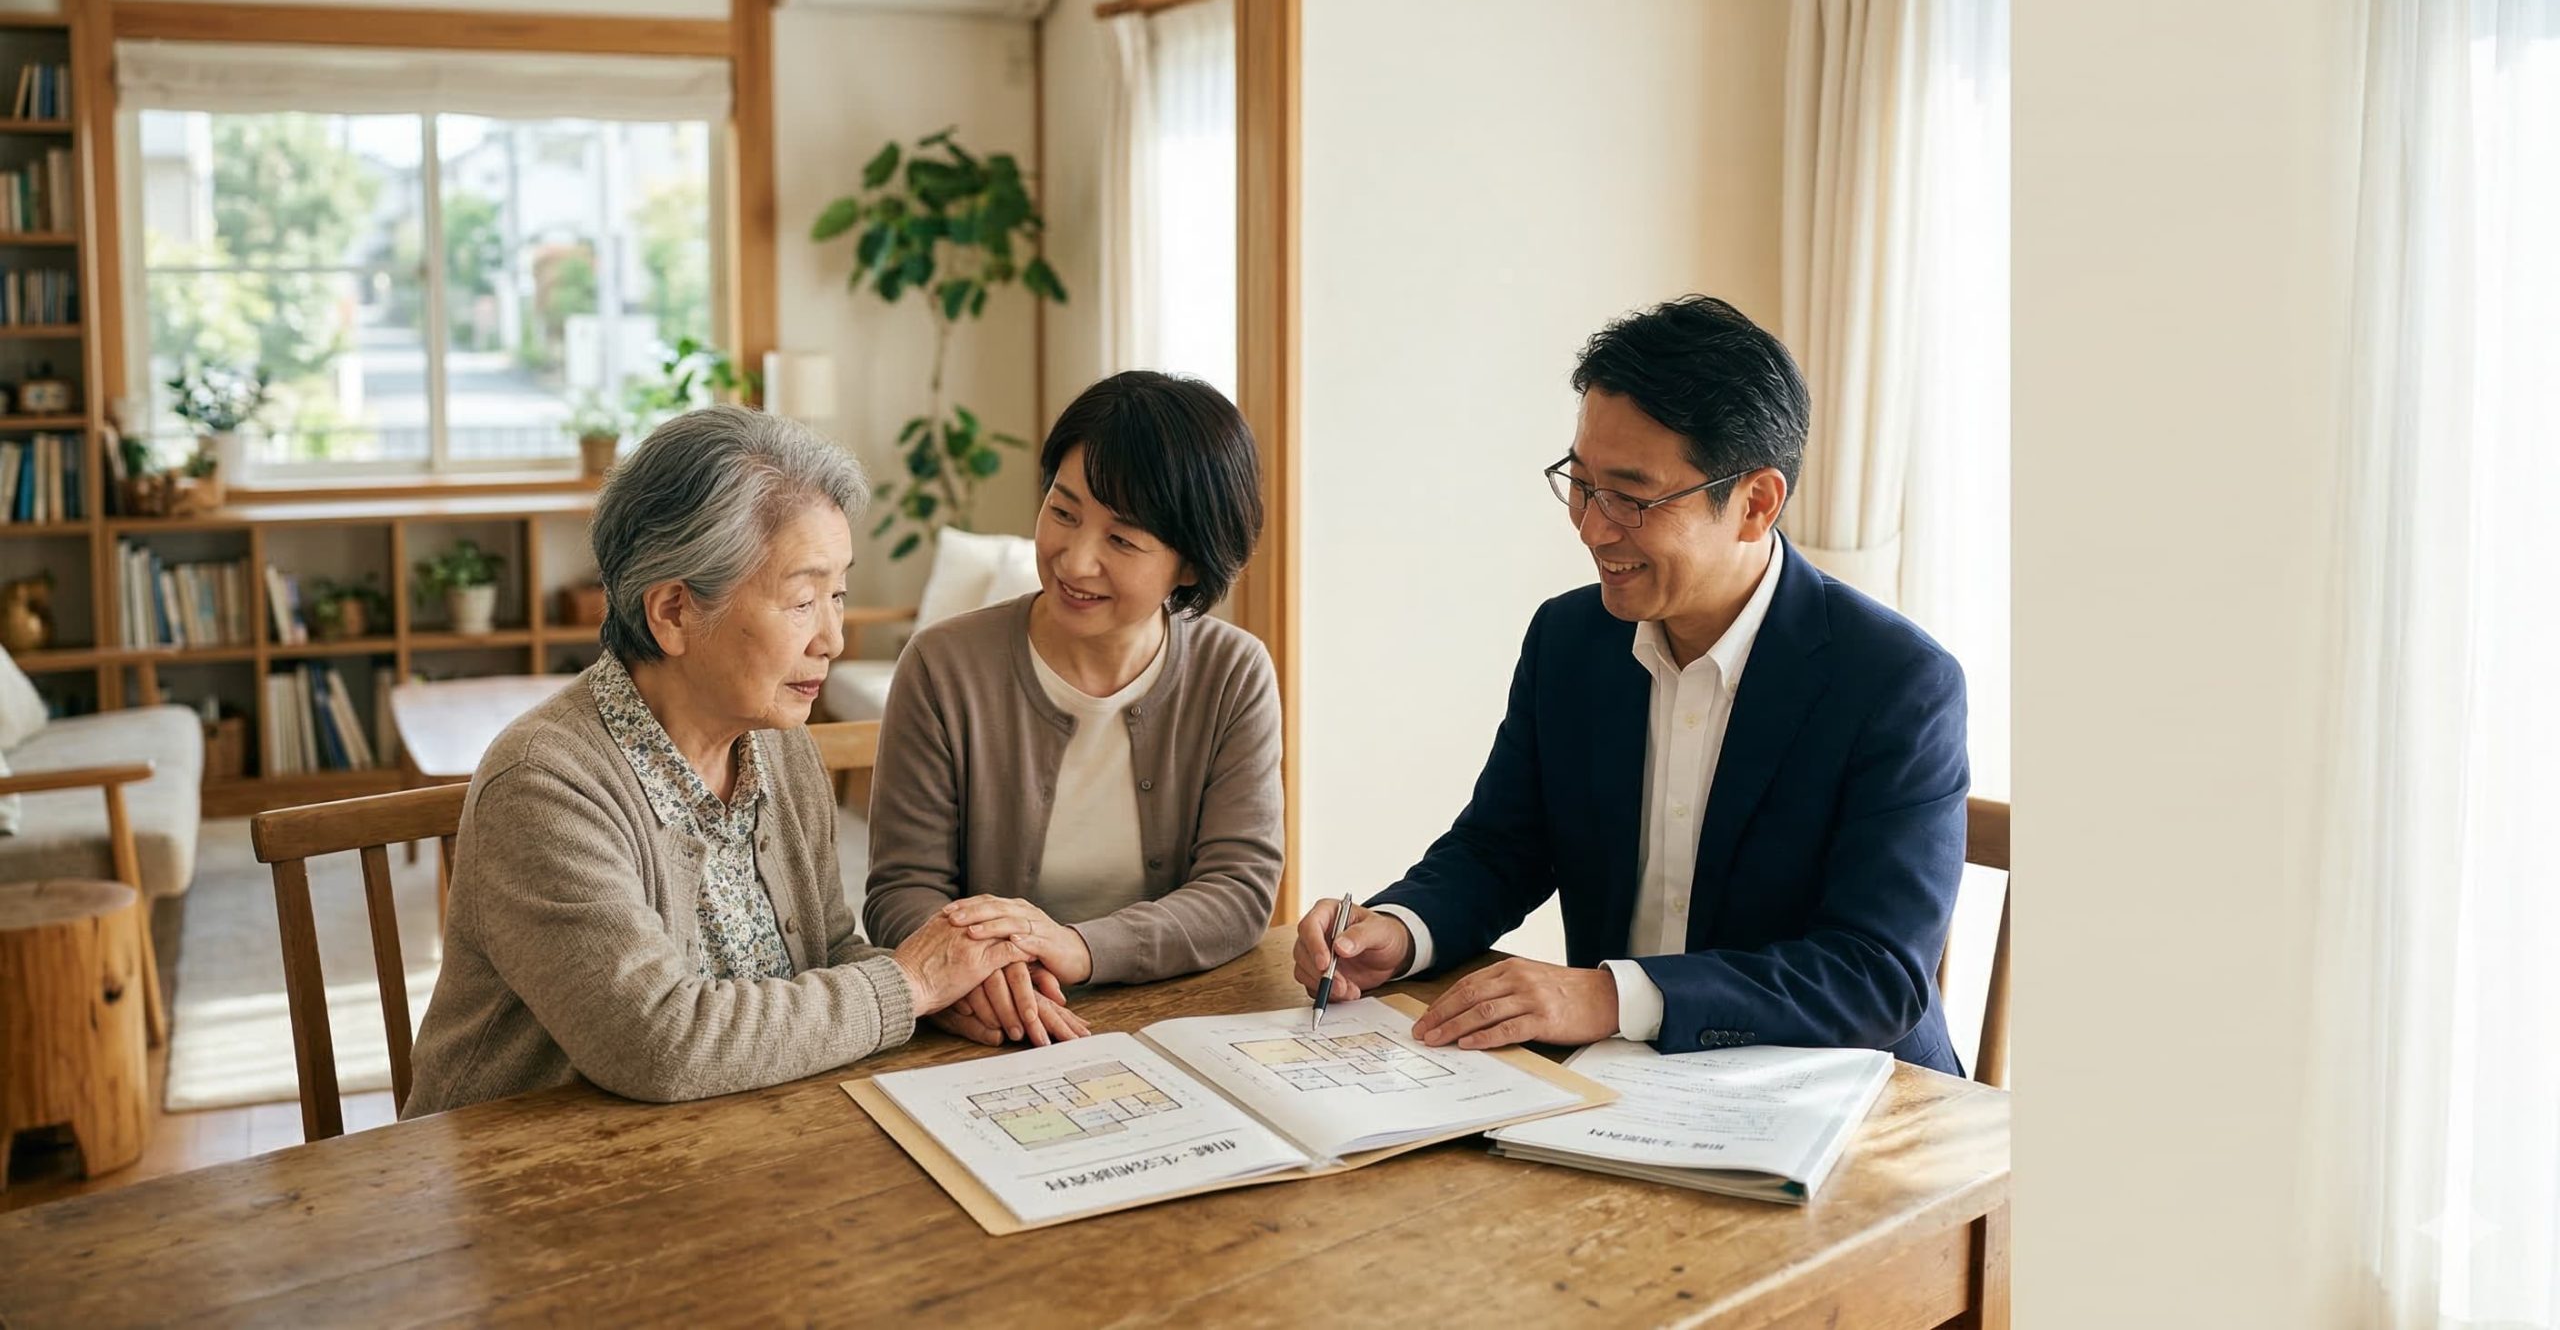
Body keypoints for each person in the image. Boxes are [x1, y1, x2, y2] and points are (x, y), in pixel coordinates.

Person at [1291, 296, 1971, 1073]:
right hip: (1623, 1084)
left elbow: (1873, 976)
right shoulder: (1570, 639)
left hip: (1854, 1092)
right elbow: (1501, 847)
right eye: (1581, 484)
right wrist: (1400, 929)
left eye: (1632, 497)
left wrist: (1612, 997)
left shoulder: (1897, 683)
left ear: (1755, 504)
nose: (1592, 527)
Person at [403, 406, 1035, 1117]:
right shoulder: (543, 786)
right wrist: (907, 986)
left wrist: (950, 993)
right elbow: (658, 1042)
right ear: (673, 612)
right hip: (525, 1164)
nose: (832, 638)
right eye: (802, 600)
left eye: (838, 595)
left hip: (728, 1133)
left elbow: (826, 952)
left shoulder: (778, 744)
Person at [866, 371, 1283, 1046]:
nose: (1076, 560)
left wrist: (1076, 947)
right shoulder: (943, 666)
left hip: (1175, 1020)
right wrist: (987, 974)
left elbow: (1238, 891)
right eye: (1063, 513)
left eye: (1123, 540)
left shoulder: (1232, 673)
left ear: (1190, 564)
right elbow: (902, 890)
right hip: (994, 1028)